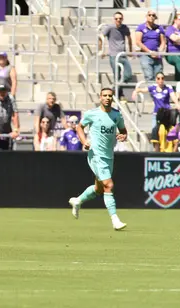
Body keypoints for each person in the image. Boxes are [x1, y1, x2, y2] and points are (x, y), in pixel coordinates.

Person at [68, 88, 128, 231]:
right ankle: (115, 220)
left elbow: (123, 131)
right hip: (96, 155)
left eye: (110, 96)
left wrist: (123, 136)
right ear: (100, 97)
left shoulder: (116, 115)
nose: (107, 98)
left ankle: (78, 201)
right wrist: (84, 141)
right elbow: (79, 127)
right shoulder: (92, 114)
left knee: (99, 189)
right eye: (105, 95)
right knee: (109, 185)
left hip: (109, 156)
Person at [99, 12, 132, 100]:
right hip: (114, 55)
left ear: (122, 19)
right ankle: (119, 94)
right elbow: (101, 36)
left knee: (128, 74)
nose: (118, 20)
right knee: (116, 75)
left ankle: (115, 90)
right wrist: (101, 50)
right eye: (116, 18)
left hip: (123, 55)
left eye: (120, 18)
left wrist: (131, 50)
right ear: (114, 19)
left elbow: (129, 38)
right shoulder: (110, 27)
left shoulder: (125, 28)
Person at [135, 10, 165, 82]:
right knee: (149, 76)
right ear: (146, 16)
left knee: (159, 76)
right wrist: (149, 52)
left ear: (155, 17)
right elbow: (138, 42)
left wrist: (159, 52)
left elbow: (163, 42)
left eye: (153, 15)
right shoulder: (141, 27)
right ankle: (152, 93)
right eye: (149, 15)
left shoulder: (159, 28)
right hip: (145, 55)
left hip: (157, 55)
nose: (151, 16)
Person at [165, 15, 180, 83]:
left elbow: (177, 39)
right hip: (171, 54)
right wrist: (176, 39)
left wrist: (177, 38)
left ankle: (177, 85)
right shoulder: (170, 29)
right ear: (175, 20)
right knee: (178, 60)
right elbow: (174, 38)